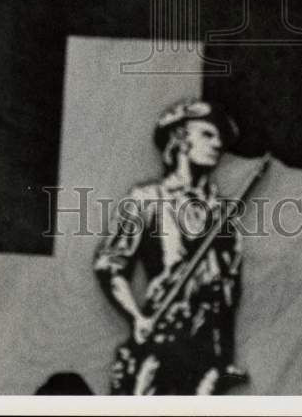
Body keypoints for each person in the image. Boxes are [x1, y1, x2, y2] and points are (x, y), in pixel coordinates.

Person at [94, 99, 246, 395]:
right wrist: (136, 318)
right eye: (207, 134)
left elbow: (231, 286)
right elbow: (110, 266)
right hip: (163, 337)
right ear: (180, 139)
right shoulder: (146, 200)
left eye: (220, 138)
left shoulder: (223, 212)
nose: (218, 144)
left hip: (209, 350)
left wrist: (224, 355)